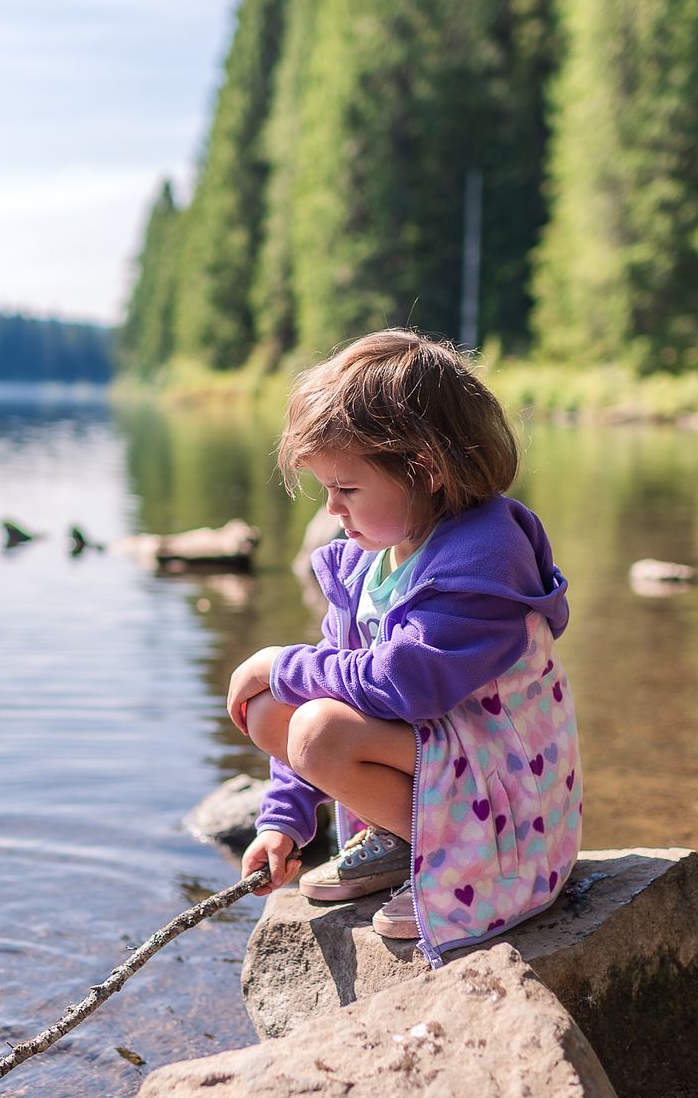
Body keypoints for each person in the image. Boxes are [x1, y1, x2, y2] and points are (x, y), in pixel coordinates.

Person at [226, 329, 581, 968]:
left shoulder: (485, 556)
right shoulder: (370, 561)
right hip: (448, 767)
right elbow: (331, 674)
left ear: (426, 469)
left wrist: (279, 662)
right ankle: (402, 840)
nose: (332, 508)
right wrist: (283, 818)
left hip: (506, 806)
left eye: (348, 489)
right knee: (268, 710)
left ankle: (453, 863)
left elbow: (409, 683)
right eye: (325, 490)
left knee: (314, 726)